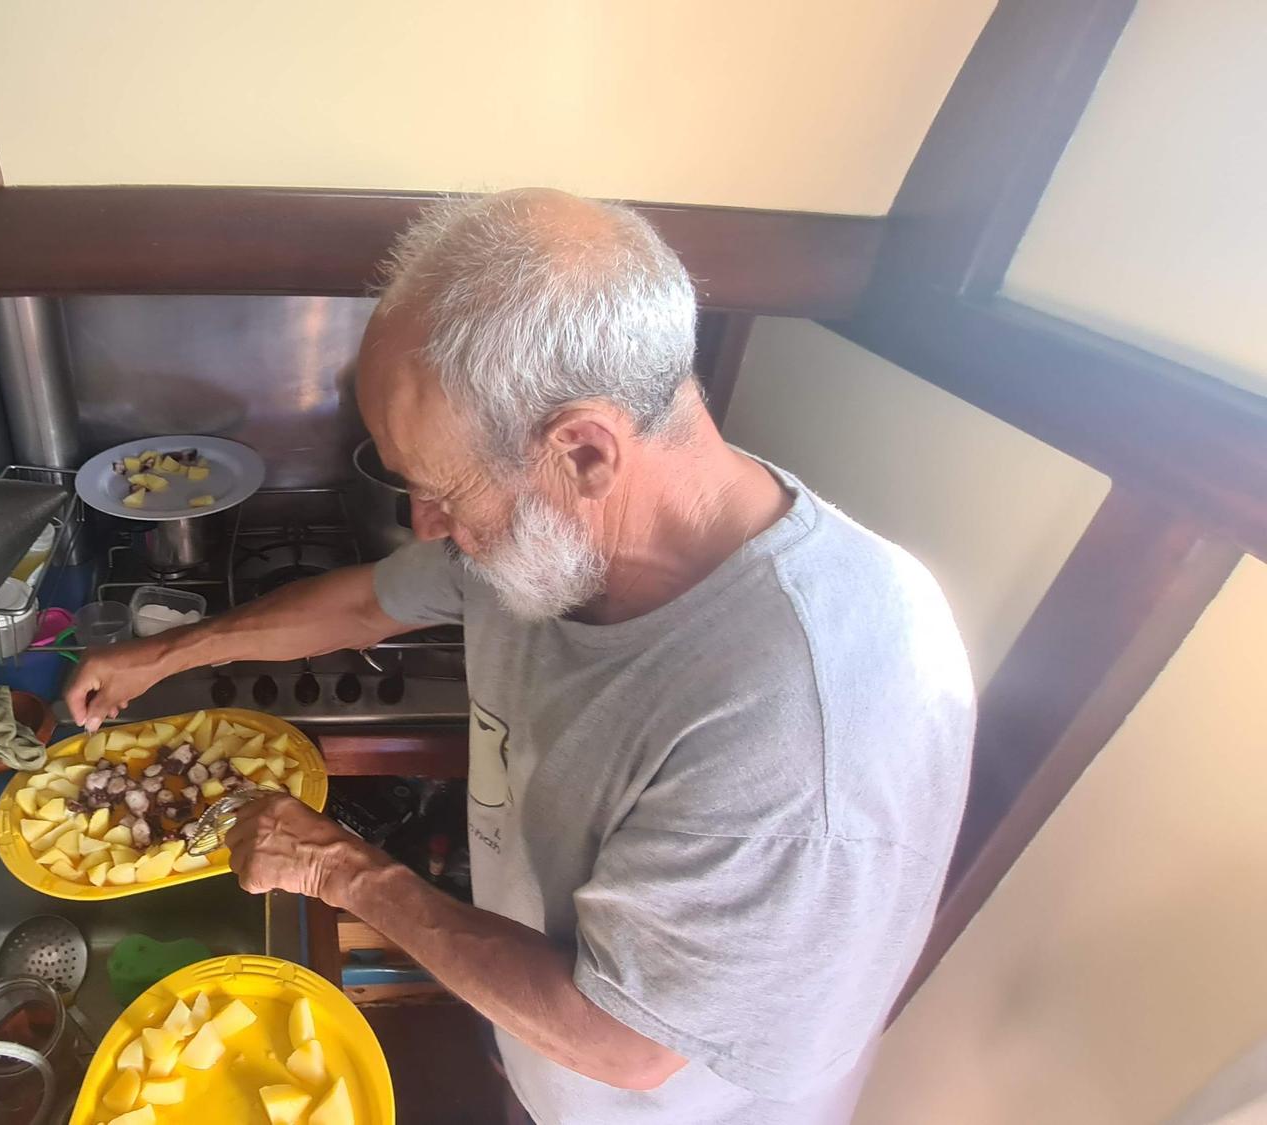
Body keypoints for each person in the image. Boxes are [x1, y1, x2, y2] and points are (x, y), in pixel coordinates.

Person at [64, 189, 973, 1124]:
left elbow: (622, 1038)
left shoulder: (803, 717)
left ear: (583, 451)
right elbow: (367, 601)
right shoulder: (559, 534)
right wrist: (166, 654)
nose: (427, 526)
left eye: (441, 491)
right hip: (546, 1069)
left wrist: (342, 869)